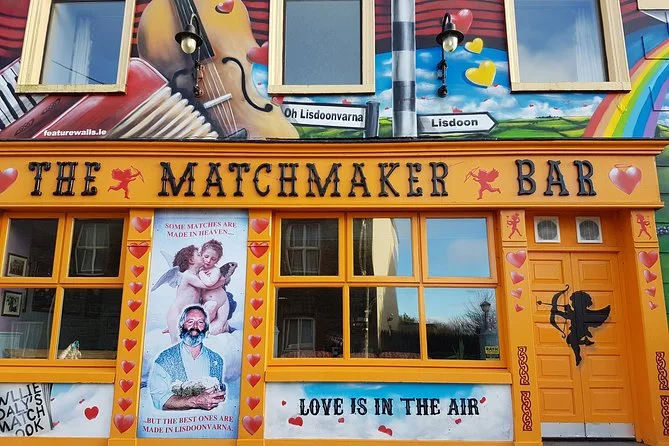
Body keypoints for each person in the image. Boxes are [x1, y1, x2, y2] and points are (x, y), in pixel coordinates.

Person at [149, 305, 227, 411]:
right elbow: (159, 399)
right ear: (181, 326)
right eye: (190, 322)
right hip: (175, 421)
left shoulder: (217, 360)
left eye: (200, 322)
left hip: (209, 420)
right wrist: (196, 401)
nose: (195, 326)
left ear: (206, 328)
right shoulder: (164, 359)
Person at [165, 245, 230, 343]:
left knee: (185, 338)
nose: (202, 257)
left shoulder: (195, 275)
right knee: (176, 341)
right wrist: (222, 281)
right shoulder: (188, 275)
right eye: (199, 255)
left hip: (186, 314)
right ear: (191, 260)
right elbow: (207, 286)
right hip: (177, 313)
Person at [198, 239, 237, 335]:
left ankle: (224, 325)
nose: (208, 260)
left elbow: (209, 283)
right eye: (206, 256)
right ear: (201, 254)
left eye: (213, 259)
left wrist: (201, 273)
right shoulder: (197, 269)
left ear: (218, 260)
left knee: (214, 331)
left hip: (221, 304)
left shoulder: (215, 270)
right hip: (208, 305)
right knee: (202, 325)